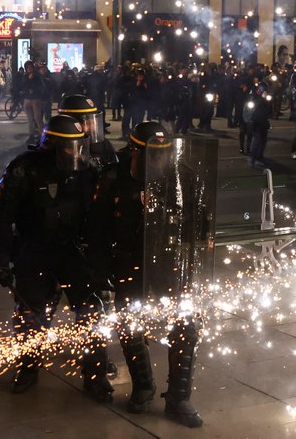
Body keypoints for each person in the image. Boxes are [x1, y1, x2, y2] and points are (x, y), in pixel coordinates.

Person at [89, 121, 204, 428]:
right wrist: (101, 271)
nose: (157, 162)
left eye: (162, 155)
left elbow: (198, 223)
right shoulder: (114, 179)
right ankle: (143, 385)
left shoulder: (184, 177)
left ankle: (179, 397)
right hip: (128, 262)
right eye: (151, 155)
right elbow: (98, 232)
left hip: (170, 263)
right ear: (135, 153)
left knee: (186, 326)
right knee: (130, 324)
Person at [0, 114, 99, 394]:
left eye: (78, 146)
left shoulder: (86, 170)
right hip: (34, 250)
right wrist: (1, 261)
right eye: (68, 148)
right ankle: (28, 368)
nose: (75, 153)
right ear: (51, 146)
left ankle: (95, 374)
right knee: (31, 315)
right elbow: (1, 216)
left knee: (89, 312)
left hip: (73, 252)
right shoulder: (23, 170)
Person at [58, 94, 118, 170]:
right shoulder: (55, 145)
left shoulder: (103, 145)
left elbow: (113, 170)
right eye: (88, 123)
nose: (92, 127)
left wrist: (84, 159)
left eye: (93, 122)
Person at [21, 60, 44, 143]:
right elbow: (22, 86)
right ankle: (31, 135)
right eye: (27, 68)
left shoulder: (37, 76)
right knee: (30, 120)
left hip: (35, 99)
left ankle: (42, 136)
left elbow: (41, 87)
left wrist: (34, 90)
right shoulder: (25, 76)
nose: (29, 69)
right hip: (27, 99)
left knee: (38, 118)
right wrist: (28, 79)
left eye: (30, 67)